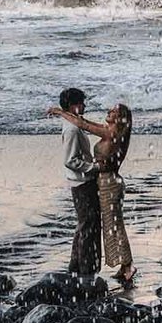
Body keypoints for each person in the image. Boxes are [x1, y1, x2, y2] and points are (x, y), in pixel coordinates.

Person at [48, 100, 135, 288]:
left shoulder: (111, 133)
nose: (109, 111)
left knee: (114, 224)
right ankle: (123, 265)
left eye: (113, 111)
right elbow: (84, 121)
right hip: (105, 182)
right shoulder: (111, 130)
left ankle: (128, 265)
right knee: (111, 224)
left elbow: (84, 125)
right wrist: (67, 113)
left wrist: (60, 112)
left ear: (119, 118)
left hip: (109, 184)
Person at [51, 87, 100, 283]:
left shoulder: (73, 124)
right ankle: (85, 268)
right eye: (81, 103)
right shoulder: (71, 129)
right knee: (88, 225)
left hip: (80, 181)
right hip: (82, 182)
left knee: (84, 225)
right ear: (73, 106)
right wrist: (93, 167)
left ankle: (77, 266)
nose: (84, 106)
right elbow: (70, 160)